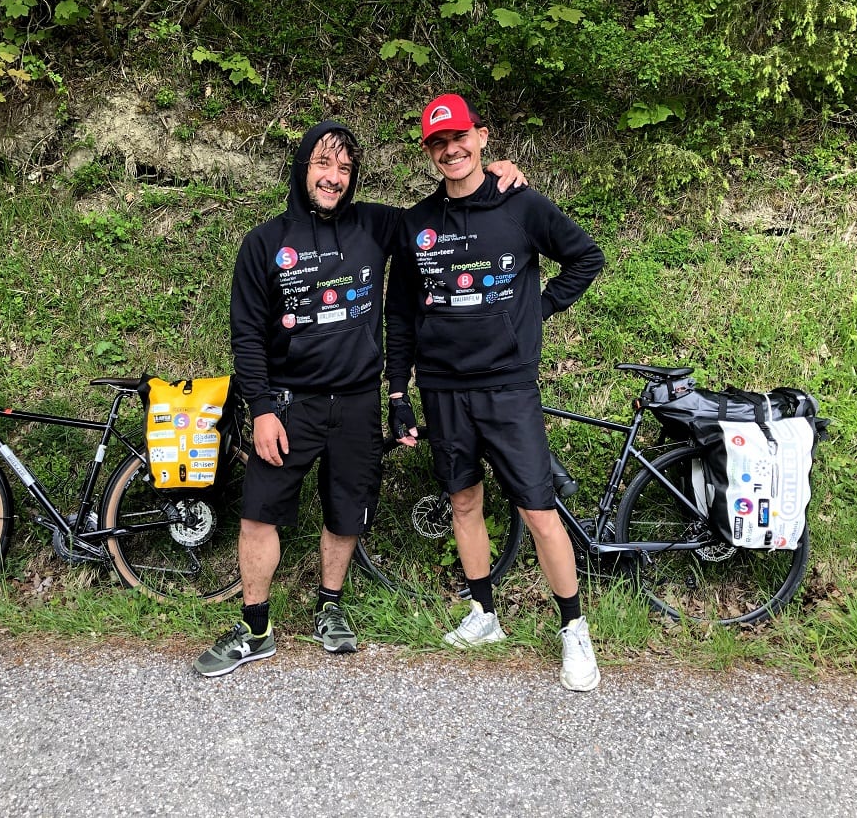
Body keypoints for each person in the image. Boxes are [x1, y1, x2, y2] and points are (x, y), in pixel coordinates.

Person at [194, 121, 525, 677]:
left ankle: (330, 606)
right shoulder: (264, 243)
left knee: (346, 514)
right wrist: (263, 409)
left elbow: (442, 211)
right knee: (258, 515)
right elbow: (246, 336)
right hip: (288, 403)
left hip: (356, 402)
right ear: (303, 167)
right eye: (324, 164)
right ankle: (255, 629)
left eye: (345, 169)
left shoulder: (376, 224)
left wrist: (493, 175)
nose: (334, 178)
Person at [384, 94, 606, 691]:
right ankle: (484, 614)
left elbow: (586, 258)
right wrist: (399, 392)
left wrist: (537, 310)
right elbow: (400, 314)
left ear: (481, 136)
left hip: (508, 385)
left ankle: (574, 629)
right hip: (441, 387)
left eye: (459, 137)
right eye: (438, 143)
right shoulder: (415, 224)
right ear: (428, 152)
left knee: (538, 509)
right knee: (464, 503)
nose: (451, 150)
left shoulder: (522, 204)